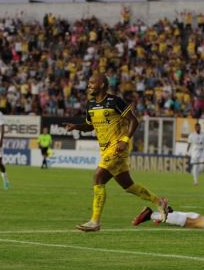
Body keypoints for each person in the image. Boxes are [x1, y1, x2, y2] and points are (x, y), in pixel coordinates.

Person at [64, 73, 169, 232]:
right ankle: (159, 202)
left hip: (118, 146)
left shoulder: (115, 101)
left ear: (102, 85)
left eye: (92, 82)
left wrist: (124, 140)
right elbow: (90, 126)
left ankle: (95, 221)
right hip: (105, 149)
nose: (89, 85)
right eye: (89, 83)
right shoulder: (91, 104)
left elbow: (134, 120)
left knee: (98, 176)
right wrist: (76, 126)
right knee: (128, 185)